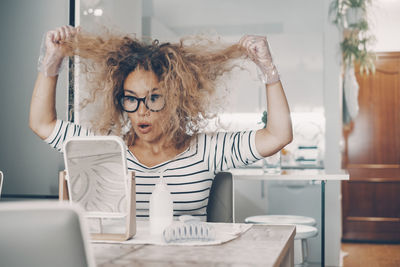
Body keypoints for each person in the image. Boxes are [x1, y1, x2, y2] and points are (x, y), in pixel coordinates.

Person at [30, 25, 292, 221]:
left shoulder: (206, 151)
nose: (142, 111)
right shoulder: (106, 149)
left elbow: (278, 135)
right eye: (131, 99)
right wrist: (54, 59)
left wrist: (267, 68)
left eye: (154, 98)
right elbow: (42, 123)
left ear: (176, 99)